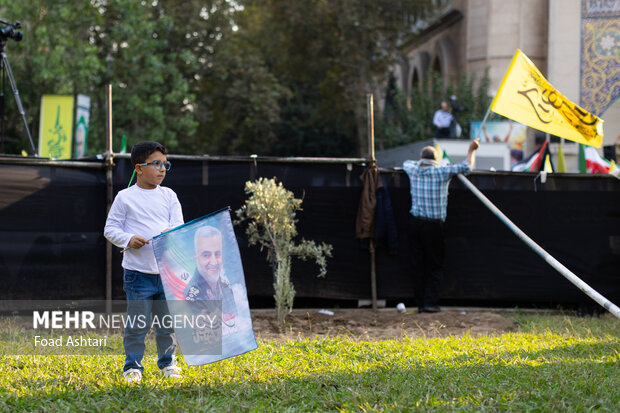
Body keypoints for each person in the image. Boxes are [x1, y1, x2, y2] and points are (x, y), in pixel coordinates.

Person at [104, 141, 184, 383]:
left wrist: (170, 233)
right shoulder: (125, 197)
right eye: (156, 164)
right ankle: (132, 366)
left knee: (167, 324)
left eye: (165, 164)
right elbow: (110, 229)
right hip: (138, 274)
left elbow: (179, 227)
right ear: (139, 168)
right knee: (138, 323)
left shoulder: (169, 196)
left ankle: (168, 363)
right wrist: (129, 239)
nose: (162, 169)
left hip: (167, 273)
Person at [403, 138, 480, 313]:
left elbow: (407, 162)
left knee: (417, 264)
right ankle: (429, 303)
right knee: (434, 264)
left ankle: (420, 303)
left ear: (421, 158)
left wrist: (422, 161)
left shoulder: (412, 169)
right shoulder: (442, 172)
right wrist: (471, 149)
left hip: (415, 223)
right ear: (436, 160)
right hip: (433, 226)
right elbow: (467, 167)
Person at [184, 225, 238, 330]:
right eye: (206, 255)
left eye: (218, 254)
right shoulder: (192, 295)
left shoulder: (226, 287)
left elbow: (235, 324)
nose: (214, 262)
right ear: (196, 256)